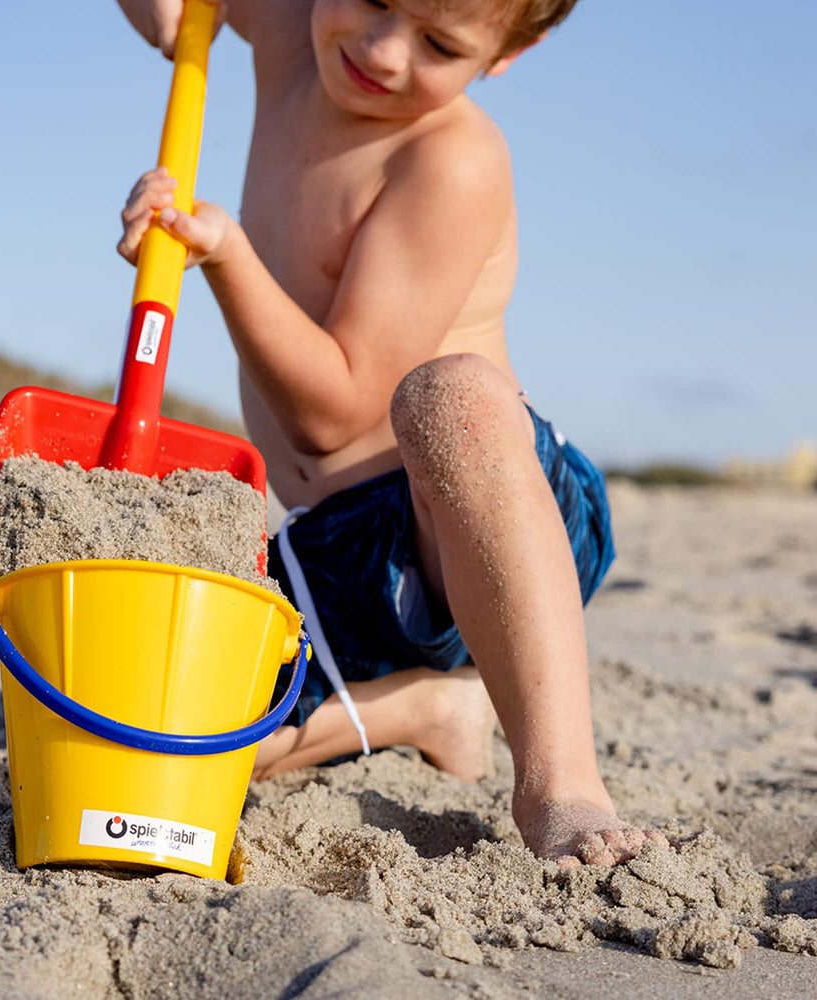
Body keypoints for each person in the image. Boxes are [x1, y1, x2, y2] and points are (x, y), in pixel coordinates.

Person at [115, 0, 660, 868]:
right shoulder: (294, 28)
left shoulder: (450, 160)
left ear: (508, 53)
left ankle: (561, 782)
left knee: (451, 399)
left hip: (479, 522)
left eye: (440, 43)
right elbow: (180, 16)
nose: (380, 49)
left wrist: (225, 256)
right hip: (340, 547)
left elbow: (331, 416)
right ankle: (425, 707)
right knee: (146, 737)